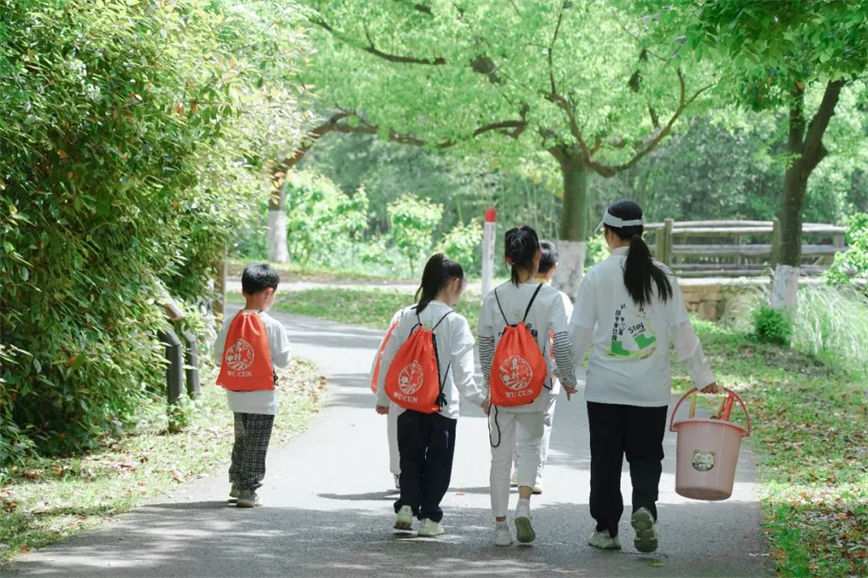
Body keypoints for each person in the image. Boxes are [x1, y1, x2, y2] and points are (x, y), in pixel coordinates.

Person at [570, 200, 718, 553]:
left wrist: (563, 374)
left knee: (605, 460)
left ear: (609, 234)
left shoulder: (598, 275)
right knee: (647, 456)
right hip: (650, 390)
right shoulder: (663, 276)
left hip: (605, 390)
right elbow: (682, 330)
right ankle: (645, 509)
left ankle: (606, 530)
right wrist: (703, 376)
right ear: (641, 232)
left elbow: (579, 333)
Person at [375, 254, 488, 537]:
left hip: (408, 403)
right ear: (454, 284)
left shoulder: (407, 316)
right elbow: (463, 374)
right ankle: (430, 519)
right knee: (438, 463)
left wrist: (384, 397)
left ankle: (406, 507)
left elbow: (389, 357)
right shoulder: (456, 322)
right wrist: (480, 399)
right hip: (442, 407)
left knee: (409, 458)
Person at [478, 226, 577, 547]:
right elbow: (562, 343)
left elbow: (485, 344)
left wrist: (489, 384)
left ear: (507, 259)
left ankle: (500, 528)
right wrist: (568, 379)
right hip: (537, 388)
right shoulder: (552, 298)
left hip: (502, 390)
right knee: (531, 447)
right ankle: (523, 504)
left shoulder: (494, 297)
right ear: (537, 256)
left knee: (500, 458)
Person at [214, 263, 292, 508]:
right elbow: (284, 360)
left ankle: (237, 483)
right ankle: (249, 490)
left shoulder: (230, 322)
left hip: (236, 394)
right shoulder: (273, 325)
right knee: (257, 444)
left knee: (242, 439)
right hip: (262, 396)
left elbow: (217, 357)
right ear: (269, 292)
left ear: (243, 292)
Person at [369, 305, 414, 489]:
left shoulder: (403, 314)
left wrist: (382, 394)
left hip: (400, 383)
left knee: (396, 429)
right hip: (431, 386)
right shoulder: (448, 317)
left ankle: (399, 472)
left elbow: (385, 354)